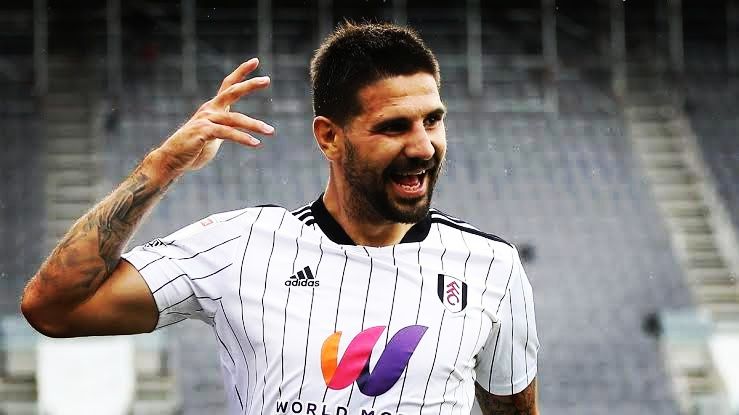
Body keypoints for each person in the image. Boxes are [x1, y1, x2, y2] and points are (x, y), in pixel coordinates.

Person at [22, 22, 539, 415]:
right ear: (329, 137)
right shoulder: (241, 247)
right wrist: (162, 166)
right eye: (394, 127)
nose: (423, 146)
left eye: (432, 120)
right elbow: (53, 309)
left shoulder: (491, 267)